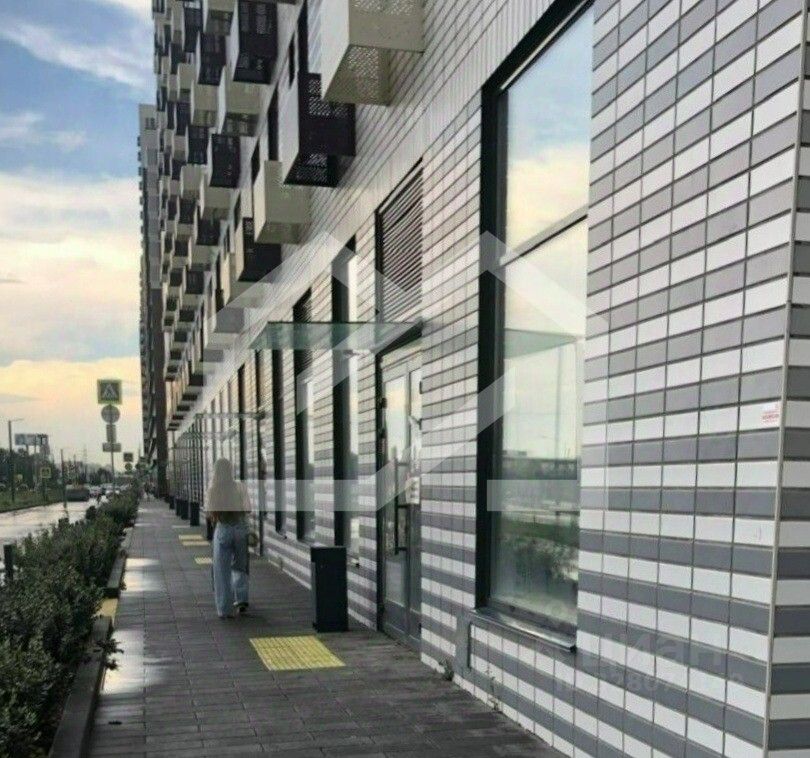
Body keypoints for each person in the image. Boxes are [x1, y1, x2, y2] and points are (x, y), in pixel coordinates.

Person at [207, 458, 251, 619]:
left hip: (223, 529)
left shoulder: (213, 489)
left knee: (221, 571)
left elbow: (211, 514)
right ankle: (242, 599)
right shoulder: (240, 487)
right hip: (240, 528)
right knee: (240, 565)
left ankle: (225, 609)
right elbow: (247, 509)